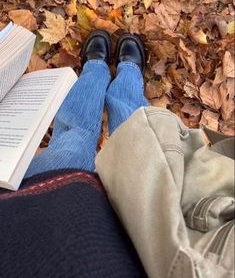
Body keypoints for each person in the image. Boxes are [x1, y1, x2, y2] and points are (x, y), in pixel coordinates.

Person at [0, 31, 234, 278]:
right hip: (158, 232)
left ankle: (95, 67)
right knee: (134, 129)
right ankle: (129, 71)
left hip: (33, 210)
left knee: (74, 137)